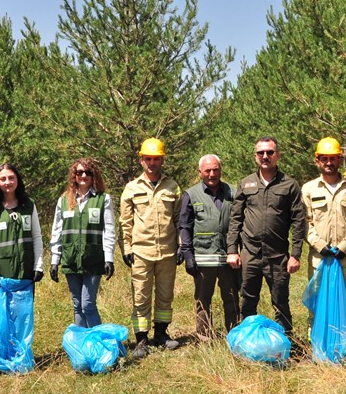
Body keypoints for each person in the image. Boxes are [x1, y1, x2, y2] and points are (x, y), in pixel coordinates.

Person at [226, 136, 307, 338]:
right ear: (255, 157)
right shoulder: (246, 184)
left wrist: (295, 254)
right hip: (250, 255)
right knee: (247, 300)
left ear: (277, 155)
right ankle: (246, 341)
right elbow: (235, 219)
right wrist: (232, 251)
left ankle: (286, 342)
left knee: (280, 301)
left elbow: (299, 221)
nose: (265, 156)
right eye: (261, 153)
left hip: (277, 255)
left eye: (270, 152)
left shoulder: (289, 185)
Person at [120, 138, 182, 359]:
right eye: (148, 159)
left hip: (167, 251)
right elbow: (126, 222)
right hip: (141, 252)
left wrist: (181, 245)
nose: (152, 163)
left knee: (165, 296)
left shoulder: (173, 186)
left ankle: (162, 335)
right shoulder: (131, 188)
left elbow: (178, 219)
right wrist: (127, 248)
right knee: (141, 297)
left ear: (162, 159)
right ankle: (141, 340)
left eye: (156, 159)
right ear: (141, 160)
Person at [0, 163, 44, 357]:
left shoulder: (28, 205)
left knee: (22, 316)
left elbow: (37, 236)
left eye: (11, 178)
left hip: (24, 272)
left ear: (17, 180)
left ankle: (20, 354)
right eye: (3, 179)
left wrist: (38, 266)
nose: (7, 182)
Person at [300, 137, 346, 325]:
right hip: (319, 259)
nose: (329, 163)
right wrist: (320, 246)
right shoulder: (309, 189)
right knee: (318, 304)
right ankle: (317, 345)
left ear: (340, 159)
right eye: (324, 158)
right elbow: (305, 223)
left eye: (333, 158)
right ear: (317, 161)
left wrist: (345, 246)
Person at [178, 154, 240, 341]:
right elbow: (184, 226)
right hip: (203, 258)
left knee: (231, 298)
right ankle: (204, 337)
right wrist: (188, 256)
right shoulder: (191, 194)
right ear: (200, 172)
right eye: (207, 170)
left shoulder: (234, 192)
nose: (212, 174)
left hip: (229, 258)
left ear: (221, 170)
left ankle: (234, 335)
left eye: (215, 169)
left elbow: (240, 223)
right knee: (203, 301)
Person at [49, 158, 116, 329]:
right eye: (79, 172)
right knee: (77, 306)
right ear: (74, 175)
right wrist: (55, 260)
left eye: (88, 172)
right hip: (70, 259)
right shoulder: (64, 200)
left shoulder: (103, 199)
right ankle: (81, 347)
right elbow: (57, 230)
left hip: (93, 259)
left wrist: (109, 259)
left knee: (88, 304)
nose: (83, 176)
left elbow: (109, 230)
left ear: (94, 176)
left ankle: (99, 345)